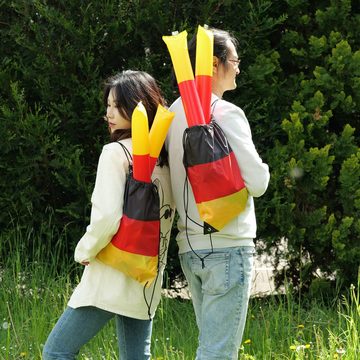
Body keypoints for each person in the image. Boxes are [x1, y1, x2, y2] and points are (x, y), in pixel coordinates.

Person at [43, 70, 175, 360]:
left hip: (111, 272)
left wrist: (83, 251)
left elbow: (106, 218)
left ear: (139, 106)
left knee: (56, 352)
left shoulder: (115, 153)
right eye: (108, 105)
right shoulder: (165, 160)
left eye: (118, 106)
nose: (109, 113)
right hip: (146, 276)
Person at [166, 28, 270, 359]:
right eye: (235, 61)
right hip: (227, 247)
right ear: (214, 63)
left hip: (189, 248)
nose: (238, 68)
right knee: (218, 353)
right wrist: (264, 169)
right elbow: (257, 182)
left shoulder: (172, 114)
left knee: (210, 347)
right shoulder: (227, 113)